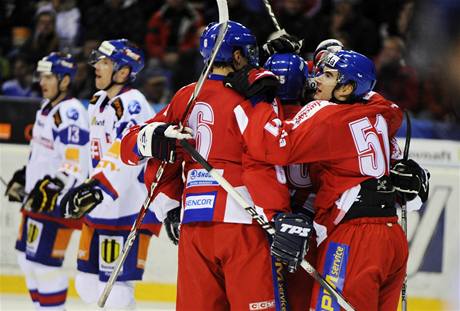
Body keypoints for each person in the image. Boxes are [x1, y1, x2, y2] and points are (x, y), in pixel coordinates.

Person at [120, 21, 305, 310]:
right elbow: (265, 158)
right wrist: (277, 214)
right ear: (238, 56)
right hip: (244, 223)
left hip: (195, 225)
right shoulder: (255, 95)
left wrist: (167, 205)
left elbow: (134, 149)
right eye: (248, 51)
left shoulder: (186, 96)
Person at [225, 49, 430, 310]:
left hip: (354, 237)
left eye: (329, 75)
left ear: (347, 88)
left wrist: (259, 102)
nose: (317, 79)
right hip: (392, 237)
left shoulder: (328, 115)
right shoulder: (379, 111)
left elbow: (274, 146)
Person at [59, 39, 160, 308]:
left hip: (128, 207)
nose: (96, 68)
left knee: (116, 289)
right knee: (86, 283)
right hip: (100, 206)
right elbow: (91, 153)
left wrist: (97, 188)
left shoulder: (133, 104)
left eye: (104, 63)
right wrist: (78, 184)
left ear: (123, 72)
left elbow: (127, 153)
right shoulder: (98, 101)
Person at [4, 52, 89, 309]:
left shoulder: (71, 112)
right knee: (25, 260)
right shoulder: (46, 107)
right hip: (36, 199)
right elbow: (43, 153)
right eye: (42, 76)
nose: (43, 81)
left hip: (55, 202)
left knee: (45, 266)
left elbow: (76, 164)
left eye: (49, 76)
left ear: (65, 81)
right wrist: (25, 175)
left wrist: (52, 187)